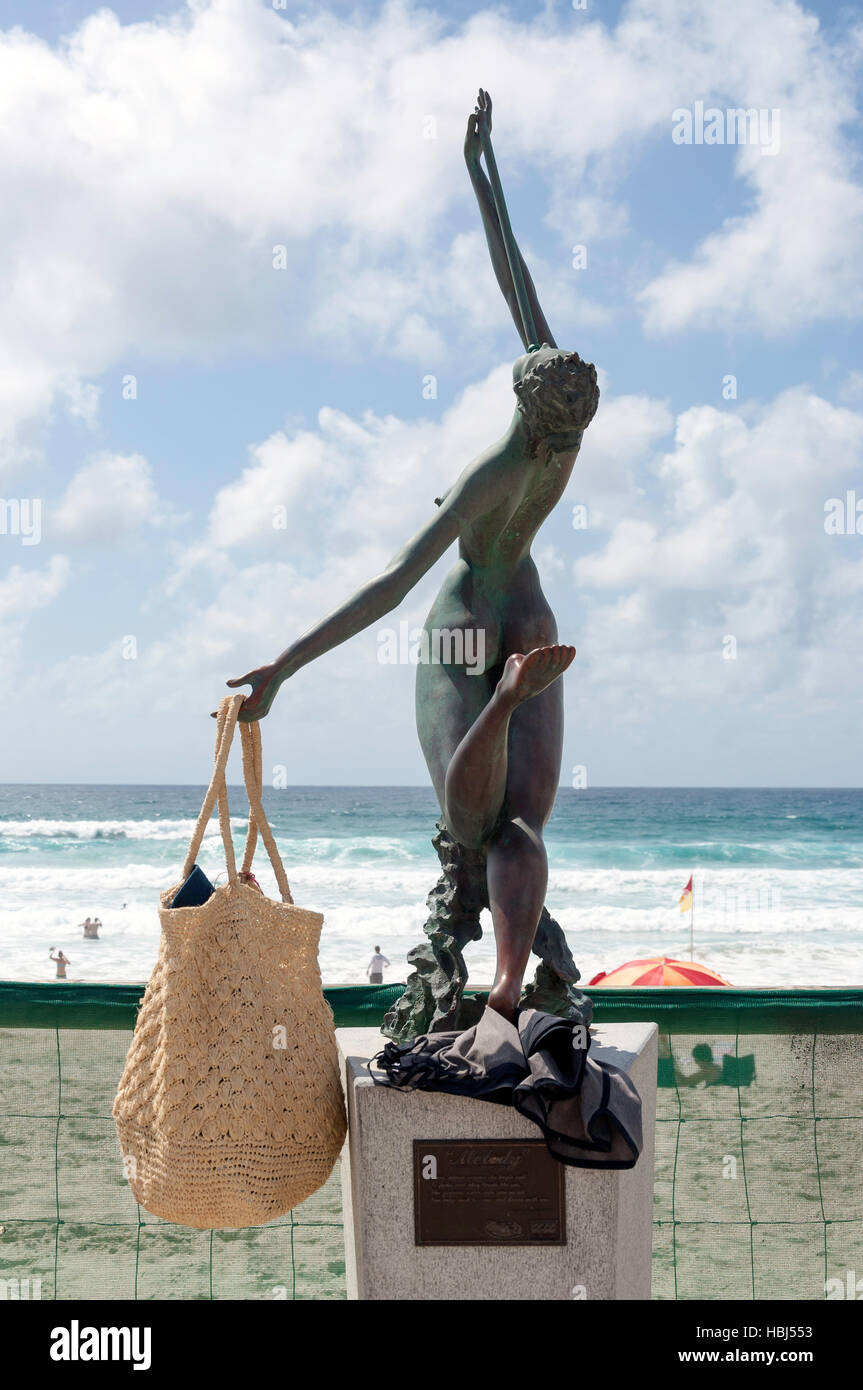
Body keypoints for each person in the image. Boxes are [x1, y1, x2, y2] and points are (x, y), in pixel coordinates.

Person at [225, 93, 598, 1024]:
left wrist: (285, 666)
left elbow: (393, 585)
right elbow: (519, 287)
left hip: (475, 617)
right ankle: (510, 975)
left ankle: (504, 708)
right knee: (514, 827)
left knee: (470, 826)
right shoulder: (554, 442)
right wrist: (485, 173)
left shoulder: (516, 444)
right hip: (522, 614)